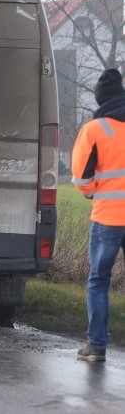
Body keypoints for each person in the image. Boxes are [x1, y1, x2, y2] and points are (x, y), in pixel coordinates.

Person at [71, 68, 125, 363]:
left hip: (108, 218)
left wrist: (93, 190)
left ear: (100, 99)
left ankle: (97, 347)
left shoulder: (95, 128)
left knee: (99, 280)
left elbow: (81, 178)